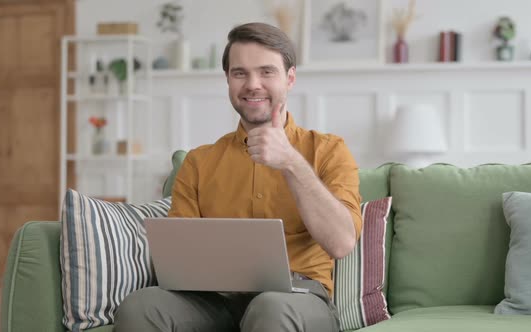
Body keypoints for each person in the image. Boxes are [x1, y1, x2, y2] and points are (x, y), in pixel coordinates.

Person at [114, 22, 362, 332]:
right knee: (141, 306)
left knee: (270, 308)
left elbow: (341, 243)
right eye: (240, 73)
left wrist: (291, 163)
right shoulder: (199, 162)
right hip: (214, 301)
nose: (252, 84)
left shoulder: (328, 150)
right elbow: (177, 262)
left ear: (290, 78)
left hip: (297, 298)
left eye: (267, 72)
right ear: (228, 80)